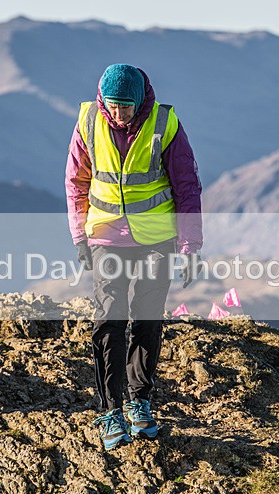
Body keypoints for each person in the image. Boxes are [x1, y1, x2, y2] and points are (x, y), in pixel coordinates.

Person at [65, 63, 203, 450]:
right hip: (106, 236)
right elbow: (76, 181)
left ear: (139, 100)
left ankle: (139, 401)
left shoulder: (165, 123)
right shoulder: (90, 121)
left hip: (155, 239)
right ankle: (110, 410)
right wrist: (80, 235)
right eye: (113, 105)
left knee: (146, 321)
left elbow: (187, 187)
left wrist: (190, 246)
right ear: (102, 99)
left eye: (126, 106)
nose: (119, 113)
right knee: (109, 319)